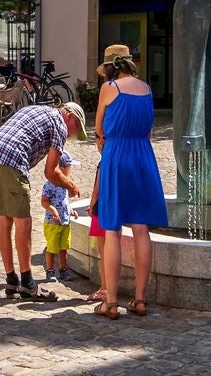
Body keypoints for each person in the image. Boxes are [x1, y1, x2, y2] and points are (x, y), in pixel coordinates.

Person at [92, 46, 168, 319]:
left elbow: (99, 128)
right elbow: (148, 130)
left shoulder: (109, 88)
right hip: (143, 157)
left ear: (110, 68)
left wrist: (106, 136)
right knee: (140, 229)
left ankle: (111, 302)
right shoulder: (146, 89)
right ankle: (140, 299)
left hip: (117, 155)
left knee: (112, 228)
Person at [0, 100, 82, 300]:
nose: (71, 135)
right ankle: (27, 284)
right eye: (75, 129)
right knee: (23, 221)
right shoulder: (60, 125)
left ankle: (11, 280)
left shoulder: (37, 109)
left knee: (4, 219)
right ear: (69, 116)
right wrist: (70, 185)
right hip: (11, 159)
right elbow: (51, 172)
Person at [41, 146, 75, 284]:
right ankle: (50, 270)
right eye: (69, 166)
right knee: (52, 246)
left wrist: (70, 210)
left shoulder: (65, 184)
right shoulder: (49, 185)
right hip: (52, 223)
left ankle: (63, 269)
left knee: (63, 246)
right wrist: (53, 211)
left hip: (65, 222)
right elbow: (44, 201)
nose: (70, 169)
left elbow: (64, 201)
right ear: (61, 168)